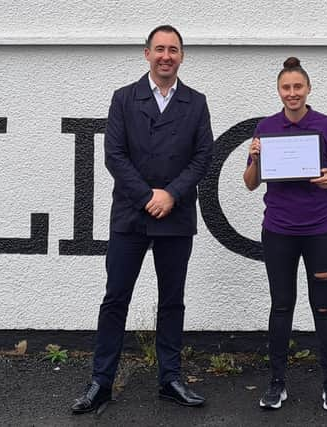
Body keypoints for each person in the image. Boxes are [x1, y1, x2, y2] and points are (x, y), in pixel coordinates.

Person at [71, 25, 213, 414]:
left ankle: (170, 379)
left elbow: (203, 156)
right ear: (146, 53)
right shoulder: (123, 99)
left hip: (177, 214)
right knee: (115, 298)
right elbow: (114, 155)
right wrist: (149, 195)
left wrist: (171, 194)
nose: (166, 56)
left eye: (174, 50)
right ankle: (101, 382)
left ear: (182, 56)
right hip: (130, 215)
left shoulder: (196, 102)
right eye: (160, 49)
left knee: (172, 301)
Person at [243, 57, 327, 411]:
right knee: (281, 307)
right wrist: (255, 158)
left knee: (323, 307)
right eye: (286, 88)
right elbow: (249, 184)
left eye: (298, 87)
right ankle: (276, 384)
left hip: (321, 230)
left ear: (308, 89)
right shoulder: (265, 127)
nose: (292, 93)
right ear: (279, 91)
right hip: (278, 231)